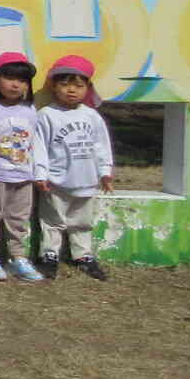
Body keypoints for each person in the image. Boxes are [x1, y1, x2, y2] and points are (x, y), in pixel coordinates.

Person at [35, 55, 116, 281]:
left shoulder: (92, 116)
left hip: (86, 180)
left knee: (82, 221)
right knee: (53, 220)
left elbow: (101, 145)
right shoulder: (46, 115)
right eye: (65, 84)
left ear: (87, 88)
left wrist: (105, 172)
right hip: (56, 181)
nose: (71, 90)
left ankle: (82, 255)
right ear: (53, 85)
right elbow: (39, 147)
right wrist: (41, 174)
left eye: (78, 86)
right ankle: (49, 254)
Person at [0, 52, 45, 281]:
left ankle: (18, 258)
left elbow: (34, 142)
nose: (16, 84)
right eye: (10, 78)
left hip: (23, 175)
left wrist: (38, 171)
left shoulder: (30, 110)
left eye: (22, 80)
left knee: (19, 219)